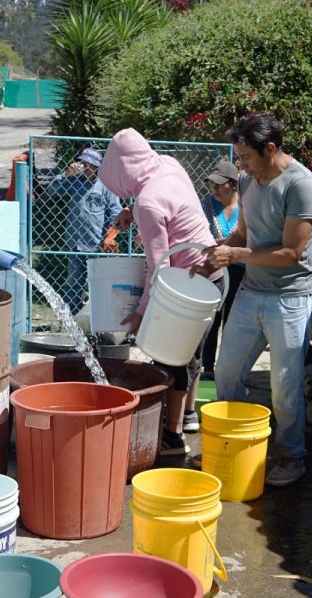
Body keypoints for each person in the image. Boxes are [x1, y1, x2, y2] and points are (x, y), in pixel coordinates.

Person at [203, 114, 312, 487]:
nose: (241, 166)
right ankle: (235, 443)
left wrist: (237, 255)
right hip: (251, 290)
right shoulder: (247, 180)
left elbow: (291, 253)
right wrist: (215, 256)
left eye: (246, 157)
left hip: (290, 298)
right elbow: (242, 233)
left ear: (270, 149)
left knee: (284, 385)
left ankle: (291, 456)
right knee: (226, 371)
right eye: (238, 158)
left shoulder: (301, 185)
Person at [99, 129, 224, 457]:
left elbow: (159, 268)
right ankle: (188, 416)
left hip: (186, 286)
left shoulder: (148, 203)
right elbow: (171, 202)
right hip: (213, 275)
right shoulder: (168, 164)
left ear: (122, 169)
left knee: (171, 358)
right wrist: (131, 212)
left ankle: (173, 438)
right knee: (193, 355)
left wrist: (141, 314)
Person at [186, 160, 245, 433]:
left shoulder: (247, 204)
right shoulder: (207, 204)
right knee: (211, 319)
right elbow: (204, 237)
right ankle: (207, 367)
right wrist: (225, 245)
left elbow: (245, 239)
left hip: (242, 271)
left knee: (232, 320)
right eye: (212, 185)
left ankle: (228, 370)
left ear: (233, 184)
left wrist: (221, 245)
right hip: (214, 270)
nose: (215, 189)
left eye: (220, 185)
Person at [45, 147, 120, 311]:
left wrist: (110, 236)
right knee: (73, 281)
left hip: (97, 244)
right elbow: (52, 190)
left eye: (90, 164)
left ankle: (96, 315)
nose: (86, 167)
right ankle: (70, 315)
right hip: (75, 242)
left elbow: (116, 212)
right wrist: (65, 174)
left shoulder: (106, 186)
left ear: (97, 167)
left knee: (97, 281)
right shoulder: (74, 181)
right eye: (83, 163)